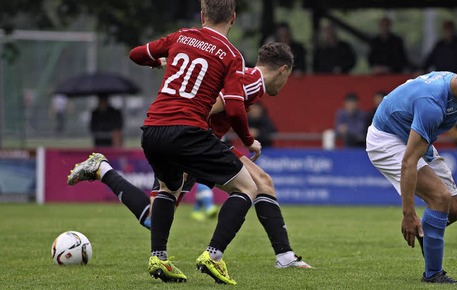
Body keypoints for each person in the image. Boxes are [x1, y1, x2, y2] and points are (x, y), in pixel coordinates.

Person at [67, 42, 311, 278]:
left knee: (262, 181)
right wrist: (188, 143)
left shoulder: (245, 76)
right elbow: (212, 104)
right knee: (155, 217)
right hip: (192, 144)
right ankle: (102, 169)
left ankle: (285, 255)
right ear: (283, 70)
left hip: (203, 141)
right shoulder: (252, 82)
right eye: (287, 78)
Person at [95, 0, 256, 284]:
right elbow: (234, 106)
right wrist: (249, 140)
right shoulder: (232, 55)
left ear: (203, 14)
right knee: (246, 187)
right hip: (187, 132)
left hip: (153, 130)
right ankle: (213, 256)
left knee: (169, 187)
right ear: (233, 18)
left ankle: (159, 257)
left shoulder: (181, 36)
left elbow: (135, 54)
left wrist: (158, 61)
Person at [366, 55, 457, 284]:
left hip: (410, 133)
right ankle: (433, 274)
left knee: (454, 210)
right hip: (386, 139)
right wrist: (408, 214)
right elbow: (408, 161)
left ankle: (427, 234)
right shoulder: (432, 104)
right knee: (440, 199)